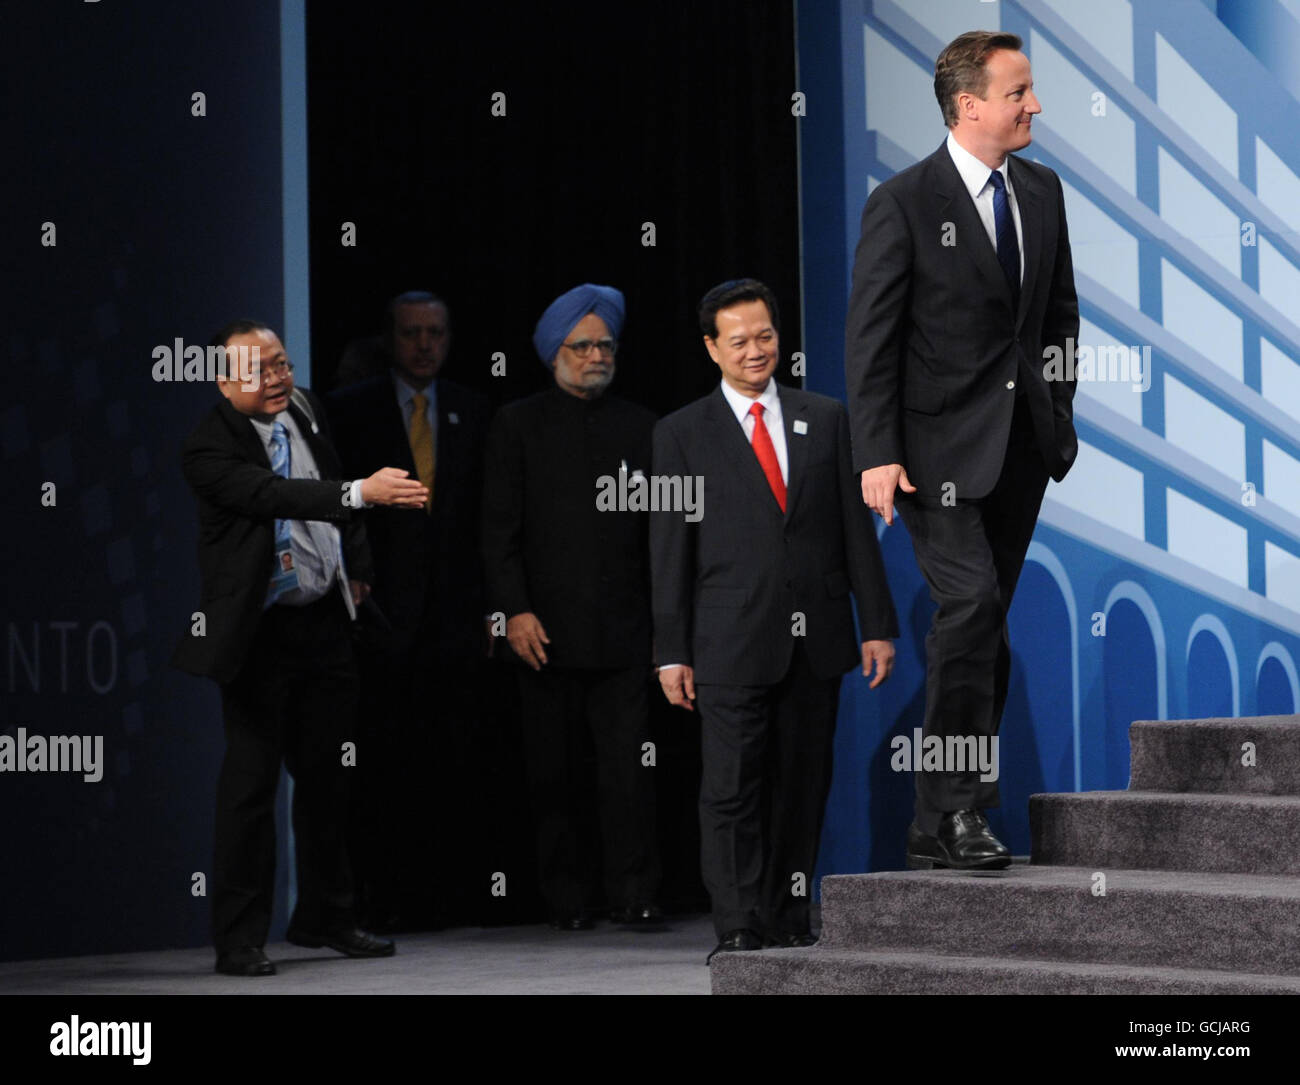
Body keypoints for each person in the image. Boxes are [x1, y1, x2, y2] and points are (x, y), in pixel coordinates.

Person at [844, 30, 1080, 870]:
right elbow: (871, 339)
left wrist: (1060, 411)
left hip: (1020, 453)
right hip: (931, 458)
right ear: (968, 103)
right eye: (1019, 92)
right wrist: (875, 450)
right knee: (971, 610)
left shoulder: (1044, 191)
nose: (1035, 105)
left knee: (983, 630)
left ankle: (937, 818)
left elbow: (1057, 318)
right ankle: (958, 810)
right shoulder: (904, 202)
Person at [173, 319, 428, 977]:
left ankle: (325, 916)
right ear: (225, 382)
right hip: (259, 634)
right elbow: (274, 494)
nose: (279, 378)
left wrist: (360, 557)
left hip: (322, 621)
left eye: (282, 363)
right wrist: (359, 493)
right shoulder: (207, 447)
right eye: (260, 371)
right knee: (251, 788)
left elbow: (333, 481)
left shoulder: (307, 408)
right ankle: (238, 938)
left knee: (329, 779)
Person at [651, 278, 898, 960]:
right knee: (730, 789)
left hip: (815, 638)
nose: (756, 350)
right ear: (711, 348)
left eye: (766, 336)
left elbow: (853, 530)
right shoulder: (679, 433)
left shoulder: (826, 417)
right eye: (739, 341)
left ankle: (789, 913)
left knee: (802, 784)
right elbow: (668, 545)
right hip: (727, 641)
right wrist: (670, 649)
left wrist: (876, 622)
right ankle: (737, 922)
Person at [481, 283, 662, 931]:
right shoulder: (517, 423)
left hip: (624, 633)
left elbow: (660, 536)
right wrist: (514, 611)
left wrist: (663, 628)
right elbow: (497, 532)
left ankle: (634, 892)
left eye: (605, 344)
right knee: (551, 775)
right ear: (554, 352)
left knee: (628, 775)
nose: (596, 355)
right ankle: (565, 897)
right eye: (582, 345)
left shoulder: (643, 426)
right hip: (542, 634)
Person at [327, 291, 492, 930]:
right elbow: (337, 502)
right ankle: (379, 899)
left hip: (455, 619)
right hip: (380, 618)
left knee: (452, 762)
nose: (424, 345)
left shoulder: (474, 410)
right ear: (389, 338)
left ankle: (449, 896)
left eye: (436, 333)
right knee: (381, 764)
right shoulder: (351, 410)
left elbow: (489, 517)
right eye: (411, 333)